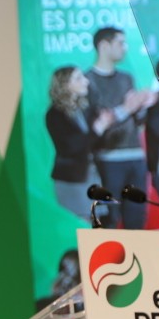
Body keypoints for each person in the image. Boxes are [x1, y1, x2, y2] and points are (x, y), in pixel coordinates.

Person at [86, 26, 157, 229]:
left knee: (137, 215)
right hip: (108, 158)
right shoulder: (88, 81)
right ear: (104, 45)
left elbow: (137, 119)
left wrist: (143, 106)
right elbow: (99, 121)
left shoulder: (126, 78)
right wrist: (128, 107)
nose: (125, 48)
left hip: (135, 155)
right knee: (109, 216)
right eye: (120, 43)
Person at [45, 65, 113, 218]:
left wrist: (104, 126)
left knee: (96, 221)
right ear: (65, 85)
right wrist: (97, 130)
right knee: (81, 222)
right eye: (78, 78)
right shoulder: (55, 114)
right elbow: (71, 146)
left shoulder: (84, 110)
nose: (86, 81)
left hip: (91, 174)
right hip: (72, 179)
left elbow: (94, 143)